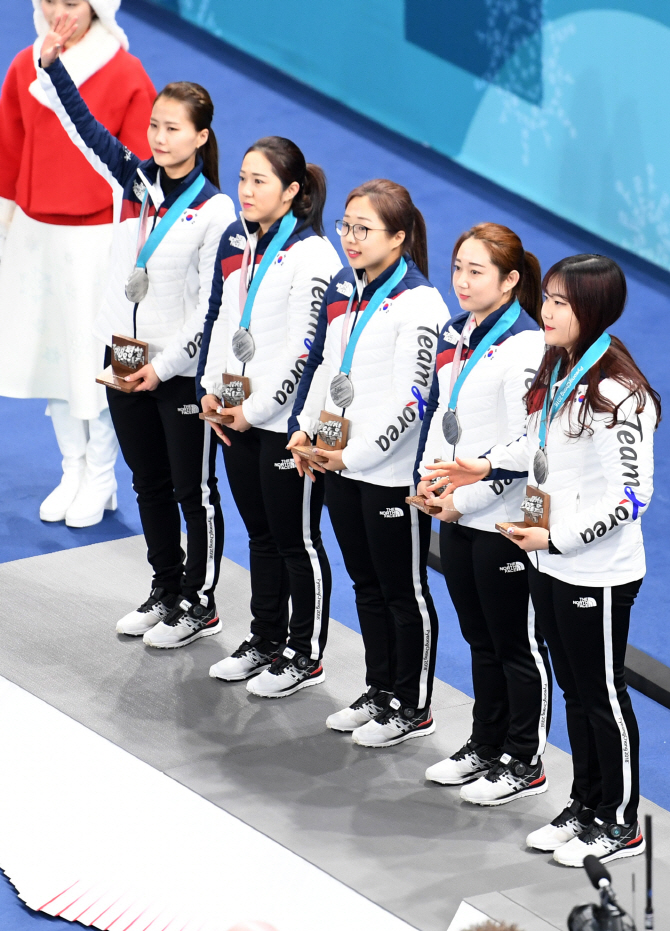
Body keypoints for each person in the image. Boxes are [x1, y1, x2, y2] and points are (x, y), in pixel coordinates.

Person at [435, 254, 658, 866]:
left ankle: (617, 822)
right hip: (552, 560)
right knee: (575, 688)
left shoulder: (619, 393)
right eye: (549, 298)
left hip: (598, 571)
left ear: (593, 310)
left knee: (602, 693)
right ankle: (585, 805)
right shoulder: (558, 366)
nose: (547, 310)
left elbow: (633, 496)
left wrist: (558, 540)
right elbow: (535, 442)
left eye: (561, 302)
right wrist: (483, 464)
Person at [39, 13, 236, 646]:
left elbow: (210, 310)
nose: (157, 137)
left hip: (176, 374)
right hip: (123, 357)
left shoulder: (215, 210)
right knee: (147, 482)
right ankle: (165, 587)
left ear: (200, 137)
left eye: (171, 129)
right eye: (153, 125)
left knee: (190, 488)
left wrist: (169, 367)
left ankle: (199, 603)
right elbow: (87, 132)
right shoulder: (139, 181)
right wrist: (54, 68)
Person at [288, 179, 449, 746]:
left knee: (403, 592)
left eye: (364, 229)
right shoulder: (352, 289)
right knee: (366, 585)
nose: (350, 239)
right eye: (346, 226)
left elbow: (413, 401)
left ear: (399, 237)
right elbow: (330, 369)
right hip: (339, 465)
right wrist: (305, 428)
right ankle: (380, 689)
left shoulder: (422, 304)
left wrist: (349, 454)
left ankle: (413, 704)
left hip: (386, 478)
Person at [0, 0, 155, 526]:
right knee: (53, 360)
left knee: (103, 362)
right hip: (37, 232)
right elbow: (9, 149)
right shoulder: (26, 64)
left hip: (101, 238)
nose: (57, 10)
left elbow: (140, 170)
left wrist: (139, 249)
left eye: (71, 2)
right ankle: (71, 468)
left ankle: (102, 473)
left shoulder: (125, 72)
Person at [198, 136, 341, 697]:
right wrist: (213, 392)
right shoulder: (246, 244)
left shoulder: (315, 258)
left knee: (295, 541)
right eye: (242, 179)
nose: (246, 191)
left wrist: (252, 412)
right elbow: (229, 326)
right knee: (260, 534)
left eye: (260, 181)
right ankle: (265, 638)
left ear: (292, 191)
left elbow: (304, 350)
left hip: (283, 428)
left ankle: (303, 654)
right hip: (239, 418)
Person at [415, 223, 550, 805]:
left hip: (500, 521)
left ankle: (525, 760)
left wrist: (461, 498)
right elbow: (443, 411)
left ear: (511, 280)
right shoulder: (458, 331)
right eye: (458, 268)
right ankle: (486, 743)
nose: (462, 282)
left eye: (477, 272)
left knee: (515, 645)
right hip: (457, 512)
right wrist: (428, 480)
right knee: (479, 639)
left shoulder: (525, 346)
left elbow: (524, 447)